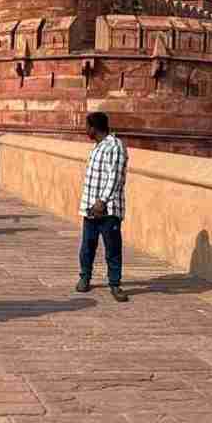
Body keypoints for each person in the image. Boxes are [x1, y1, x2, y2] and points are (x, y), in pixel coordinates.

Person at [77, 111, 129, 302]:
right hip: (90, 207)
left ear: (93, 127)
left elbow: (115, 177)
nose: (85, 130)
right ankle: (85, 277)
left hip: (107, 209)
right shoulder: (98, 146)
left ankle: (115, 284)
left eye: (86, 126)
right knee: (87, 246)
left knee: (112, 247)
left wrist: (102, 201)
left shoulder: (114, 146)